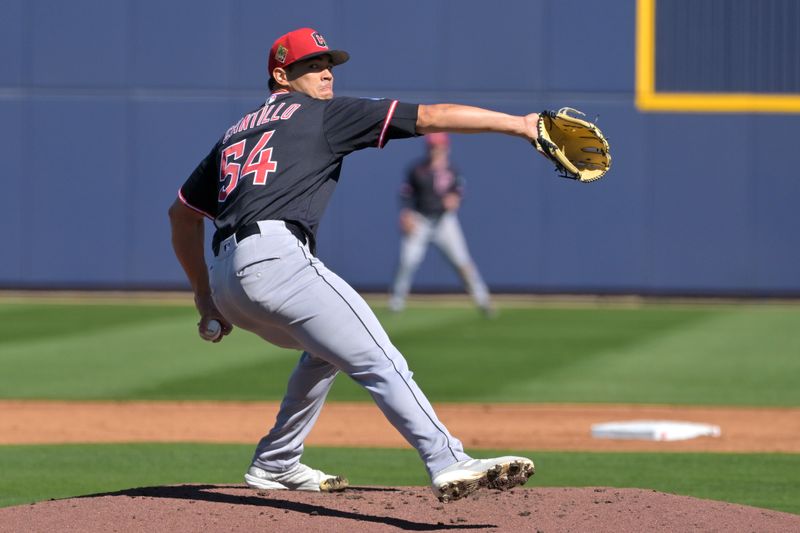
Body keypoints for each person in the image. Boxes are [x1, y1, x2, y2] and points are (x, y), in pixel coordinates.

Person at [168, 27, 536, 503]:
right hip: (276, 258)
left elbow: (181, 214)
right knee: (380, 358)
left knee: (326, 350)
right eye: (312, 65)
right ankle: (448, 460)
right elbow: (432, 116)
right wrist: (522, 124)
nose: (326, 73)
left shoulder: (236, 132)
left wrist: (202, 294)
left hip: (227, 278)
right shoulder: (323, 115)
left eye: (330, 65)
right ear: (282, 74)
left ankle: (275, 462)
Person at [389, 132, 494, 316]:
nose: (435, 150)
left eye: (438, 146)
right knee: (407, 261)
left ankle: (482, 299)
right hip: (420, 219)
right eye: (432, 146)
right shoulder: (417, 169)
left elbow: (458, 192)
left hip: (444, 221)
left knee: (462, 262)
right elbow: (405, 195)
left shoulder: (453, 170)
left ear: (446, 147)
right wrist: (406, 214)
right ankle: (396, 301)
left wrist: (454, 199)